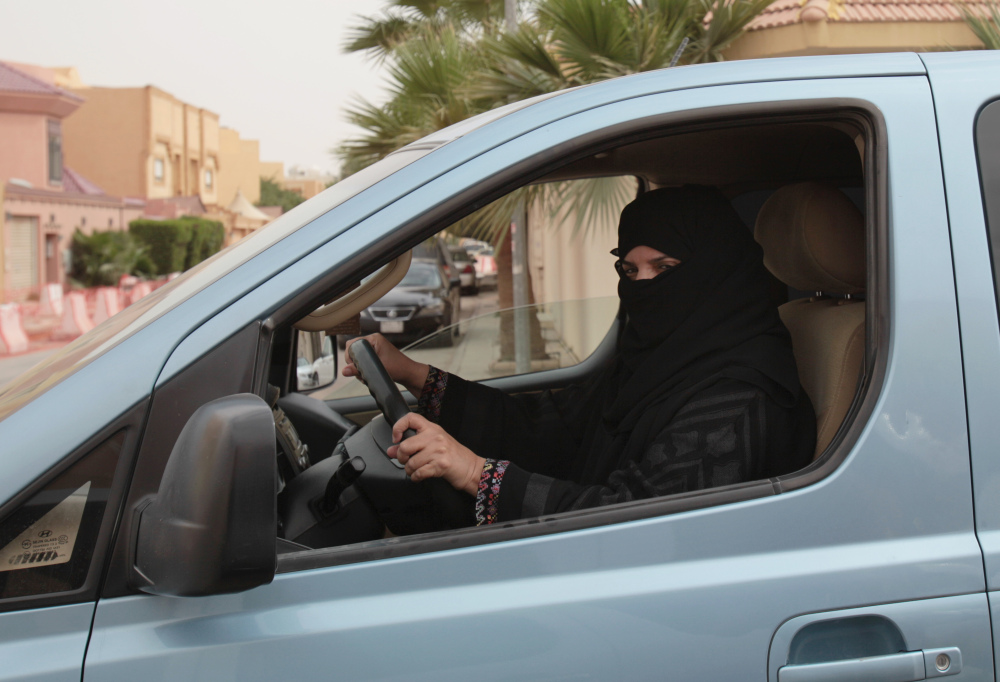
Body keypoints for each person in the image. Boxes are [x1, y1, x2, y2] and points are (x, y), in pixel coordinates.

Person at [344, 186, 816, 527]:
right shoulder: (656, 361)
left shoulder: (739, 398)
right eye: (630, 270)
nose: (644, 286)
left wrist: (472, 472)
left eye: (666, 268)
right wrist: (412, 373)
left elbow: (635, 522)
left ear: (717, 271)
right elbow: (554, 424)